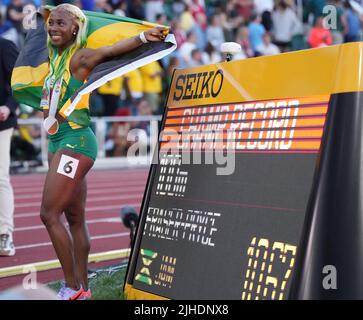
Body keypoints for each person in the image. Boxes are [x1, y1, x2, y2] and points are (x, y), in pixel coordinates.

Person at [34, 4, 168, 300]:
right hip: (57, 141)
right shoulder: (53, 58)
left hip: (76, 142)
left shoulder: (80, 57)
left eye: (61, 23)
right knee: (74, 217)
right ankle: (84, 287)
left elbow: (111, 50)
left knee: (48, 214)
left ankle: (72, 288)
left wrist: (144, 37)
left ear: (74, 30)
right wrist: (49, 13)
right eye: (51, 23)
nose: (53, 27)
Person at [0, 37, 18, 257]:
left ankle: (5, 233)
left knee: (0, 177)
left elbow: (19, 84)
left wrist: (8, 106)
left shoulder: (5, 46)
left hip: (1, 123)